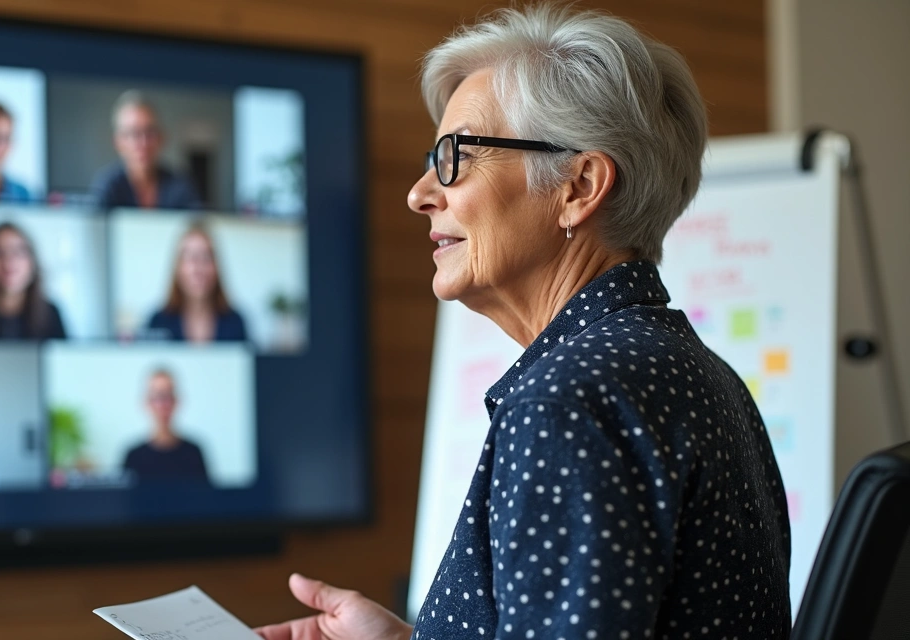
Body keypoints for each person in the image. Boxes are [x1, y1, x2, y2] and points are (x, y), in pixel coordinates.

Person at [256, 5, 791, 640]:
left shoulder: (568, 401)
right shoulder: (694, 371)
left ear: (578, 185)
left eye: (456, 156)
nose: (420, 192)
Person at [90, 90, 203, 211]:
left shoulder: (180, 186)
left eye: (150, 132)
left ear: (161, 137)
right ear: (118, 141)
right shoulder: (108, 186)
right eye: (134, 133)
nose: (143, 143)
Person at [0, 222, 67, 340]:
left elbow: (65, 357)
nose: (8, 262)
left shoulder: (50, 314)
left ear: (32, 263)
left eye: (18, 252)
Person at [146, 222, 247, 343]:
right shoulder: (158, 322)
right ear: (177, 267)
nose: (198, 268)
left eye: (206, 257)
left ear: (216, 267)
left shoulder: (235, 322)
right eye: (190, 258)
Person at [122, 368, 211, 486]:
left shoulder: (194, 453)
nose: (163, 405)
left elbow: (206, 500)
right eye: (157, 397)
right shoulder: (133, 456)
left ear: (176, 401)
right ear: (146, 402)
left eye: (168, 396)